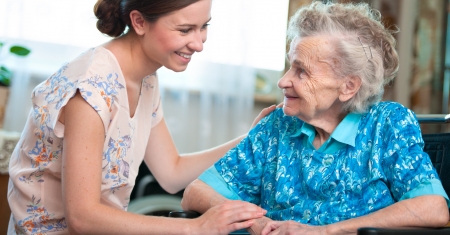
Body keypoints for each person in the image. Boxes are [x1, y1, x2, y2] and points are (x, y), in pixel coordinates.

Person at [181, 1, 450, 235]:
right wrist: (257, 223)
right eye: (290, 65)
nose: (283, 81)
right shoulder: (277, 125)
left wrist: (324, 232)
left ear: (348, 86)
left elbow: (432, 207)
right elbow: (195, 193)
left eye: (301, 71)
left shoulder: (387, 124)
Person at [7, 0, 272, 234]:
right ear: (139, 21)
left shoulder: (145, 78)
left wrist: (250, 138)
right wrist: (195, 227)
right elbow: (82, 218)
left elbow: (172, 172)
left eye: (205, 26)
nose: (199, 43)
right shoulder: (91, 87)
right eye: (184, 30)